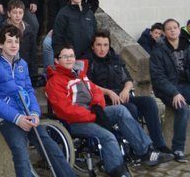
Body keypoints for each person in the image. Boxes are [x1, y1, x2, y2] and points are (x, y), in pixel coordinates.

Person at [46, 45, 173, 177]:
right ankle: (118, 171)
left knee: (120, 110)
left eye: (71, 56)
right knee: (107, 136)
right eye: (65, 57)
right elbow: (65, 110)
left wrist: (97, 107)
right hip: (74, 121)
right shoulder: (55, 81)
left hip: (91, 112)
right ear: (56, 60)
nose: (69, 59)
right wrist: (93, 116)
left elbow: (95, 91)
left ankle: (146, 152)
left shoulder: (79, 74)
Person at [0, 25, 76, 177]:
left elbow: (29, 91)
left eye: (16, 41)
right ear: (0, 44)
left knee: (49, 145)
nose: (13, 45)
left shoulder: (22, 65)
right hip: (5, 117)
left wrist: (35, 113)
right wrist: (17, 118)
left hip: (26, 113)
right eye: (9, 41)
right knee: (20, 150)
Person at [85, 30, 171, 153]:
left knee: (149, 102)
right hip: (104, 101)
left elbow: (129, 79)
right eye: (98, 45)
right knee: (131, 108)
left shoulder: (115, 58)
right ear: (93, 47)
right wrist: (108, 92)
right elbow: (87, 84)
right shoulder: (89, 62)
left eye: (105, 45)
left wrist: (126, 90)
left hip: (121, 96)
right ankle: (137, 148)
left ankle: (159, 144)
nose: (102, 49)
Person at [150, 18, 190, 162]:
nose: (172, 30)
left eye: (175, 28)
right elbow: (158, 77)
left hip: (185, 85)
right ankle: (178, 149)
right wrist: (174, 92)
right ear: (165, 33)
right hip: (166, 89)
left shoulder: (187, 46)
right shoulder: (158, 50)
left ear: (180, 29)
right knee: (183, 108)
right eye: (169, 28)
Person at [0, 0, 37, 76]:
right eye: (14, 12)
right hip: (7, 70)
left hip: (25, 69)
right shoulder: (2, 30)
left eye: (20, 13)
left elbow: (33, 53)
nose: (18, 15)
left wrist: (33, 74)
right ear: (9, 14)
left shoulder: (29, 30)